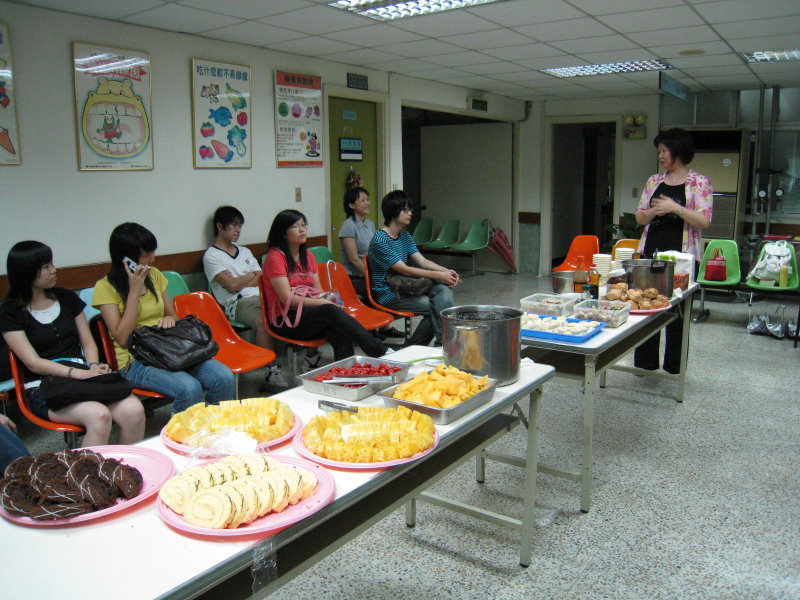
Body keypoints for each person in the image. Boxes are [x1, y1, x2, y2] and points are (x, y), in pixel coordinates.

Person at [0, 241, 145, 446]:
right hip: (43, 385)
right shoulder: (10, 311)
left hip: (84, 376)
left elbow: (88, 342)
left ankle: (124, 464)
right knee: (100, 416)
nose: (53, 270)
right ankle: (87, 468)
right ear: (26, 272)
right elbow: (32, 362)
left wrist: (93, 366)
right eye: (46, 267)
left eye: (52, 264)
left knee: (135, 411)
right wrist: (76, 373)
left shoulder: (67, 298)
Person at [94, 223, 235, 414]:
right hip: (134, 360)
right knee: (189, 388)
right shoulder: (105, 287)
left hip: (168, 350)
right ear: (126, 259)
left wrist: (170, 319)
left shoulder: (154, 275)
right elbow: (122, 338)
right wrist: (134, 292)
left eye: (153, 252)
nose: (153, 258)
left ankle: (216, 425)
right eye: (146, 254)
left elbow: (171, 314)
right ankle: (183, 432)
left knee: (224, 377)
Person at [262, 209, 393, 361]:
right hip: (285, 321)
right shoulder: (275, 257)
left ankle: (347, 371)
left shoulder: (307, 255)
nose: (302, 230)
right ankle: (379, 350)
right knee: (329, 311)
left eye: (303, 225)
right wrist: (324, 303)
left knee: (339, 330)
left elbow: (318, 292)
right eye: (295, 226)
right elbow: (287, 299)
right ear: (283, 233)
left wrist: (329, 299)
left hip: (307, 315)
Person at [634, 128, 712, 373]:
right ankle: (645, 364)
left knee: (677, 313)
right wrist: (654, 211)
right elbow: (639, 218)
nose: (660, 156)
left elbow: (704, 221)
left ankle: (674, 367)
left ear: (678, 151)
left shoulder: (700, 182)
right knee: (646, 307)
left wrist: (674, 208)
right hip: (651, 252)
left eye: (664, 151)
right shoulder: (654, 181)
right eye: (659, 151)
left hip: (683, 258)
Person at [203, 205, 285, 386]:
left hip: (260, 295)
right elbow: (231, 286)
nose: (238, 230)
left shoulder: (245, 251)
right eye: (234, 225)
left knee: (290, 307)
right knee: (262, 321)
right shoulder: (212, 256)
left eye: (240, 225)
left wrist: (241, 280)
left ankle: (310, 357)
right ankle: (272, 370)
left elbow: (262, 277)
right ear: (219, 226)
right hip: (237, 303)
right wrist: (250, 275)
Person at [367, 190, 459, 347]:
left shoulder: (404, 236)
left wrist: (445, 271)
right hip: (389, 293)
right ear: (393, 211)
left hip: (406, 286)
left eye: (410, 209)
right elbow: (404, 269)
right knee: (436, 308)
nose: (410, 213)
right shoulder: (380, 240)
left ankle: (443, 343)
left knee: (443, 289)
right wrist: (438, 275)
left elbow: (422, 261)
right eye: (405, 209)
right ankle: (419, 347)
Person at [338, 187, 404, 339]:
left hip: (369, 272)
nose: (367, 203)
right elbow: (353, 259)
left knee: (394, 287)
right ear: (351, 205)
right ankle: (370, 328)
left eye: (367, 200)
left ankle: (383, 326)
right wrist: (371, 276)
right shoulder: (348, 225)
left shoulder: (370, 223)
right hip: (353, 276)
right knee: (378, 291)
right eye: (362, 200)